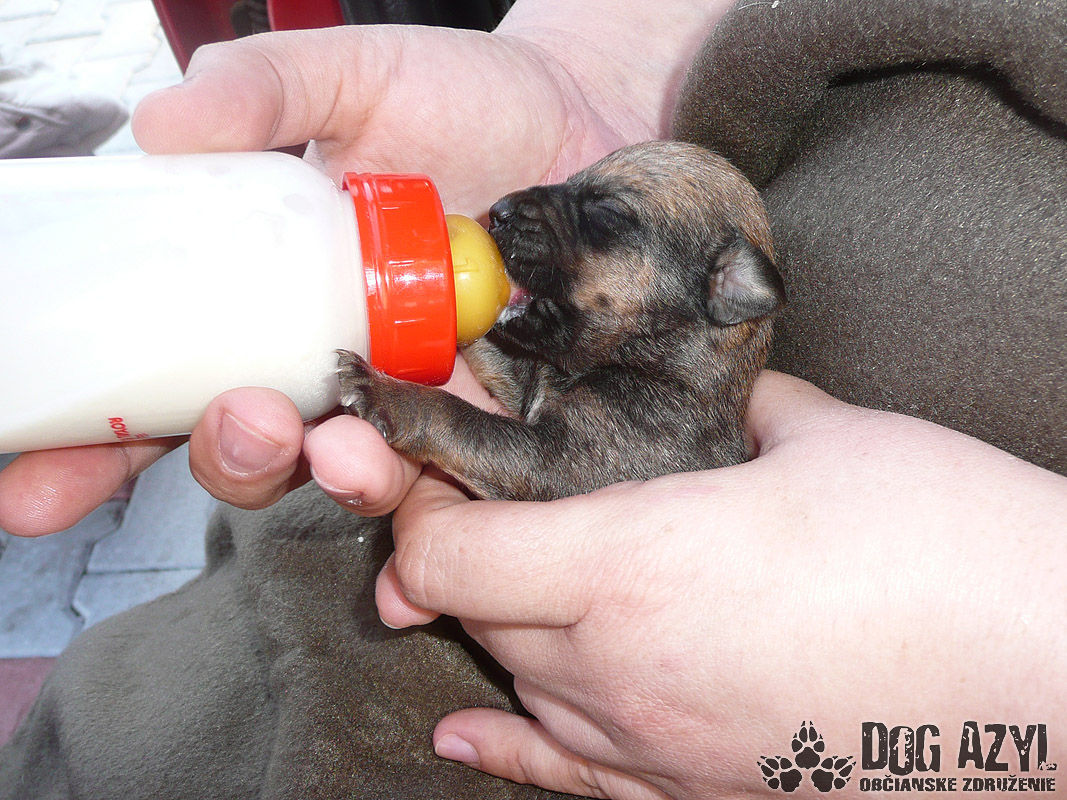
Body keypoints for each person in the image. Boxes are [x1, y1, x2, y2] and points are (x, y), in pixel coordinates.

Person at [0, 0, 1063, 797]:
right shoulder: (619, 340)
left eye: (599, 221)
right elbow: (520, 384)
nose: (524, 213)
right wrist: (594, 55)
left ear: (724, 294)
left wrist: (1008, 705)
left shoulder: (657, 418)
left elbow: (551, 462)